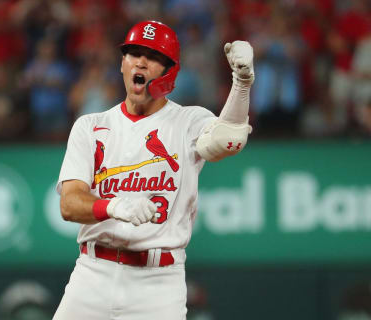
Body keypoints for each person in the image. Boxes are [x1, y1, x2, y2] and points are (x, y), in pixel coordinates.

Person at [54, 20, 254, 320]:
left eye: (153, 56)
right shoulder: (91, 126)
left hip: (158, 284)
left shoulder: (188, 121)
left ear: (169, 71)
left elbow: (230, 139)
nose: (141, 62)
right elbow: (69, 205)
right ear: (122, 64)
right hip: (93, 274)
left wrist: (241, 84)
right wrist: (113, 206)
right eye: (134, 53)